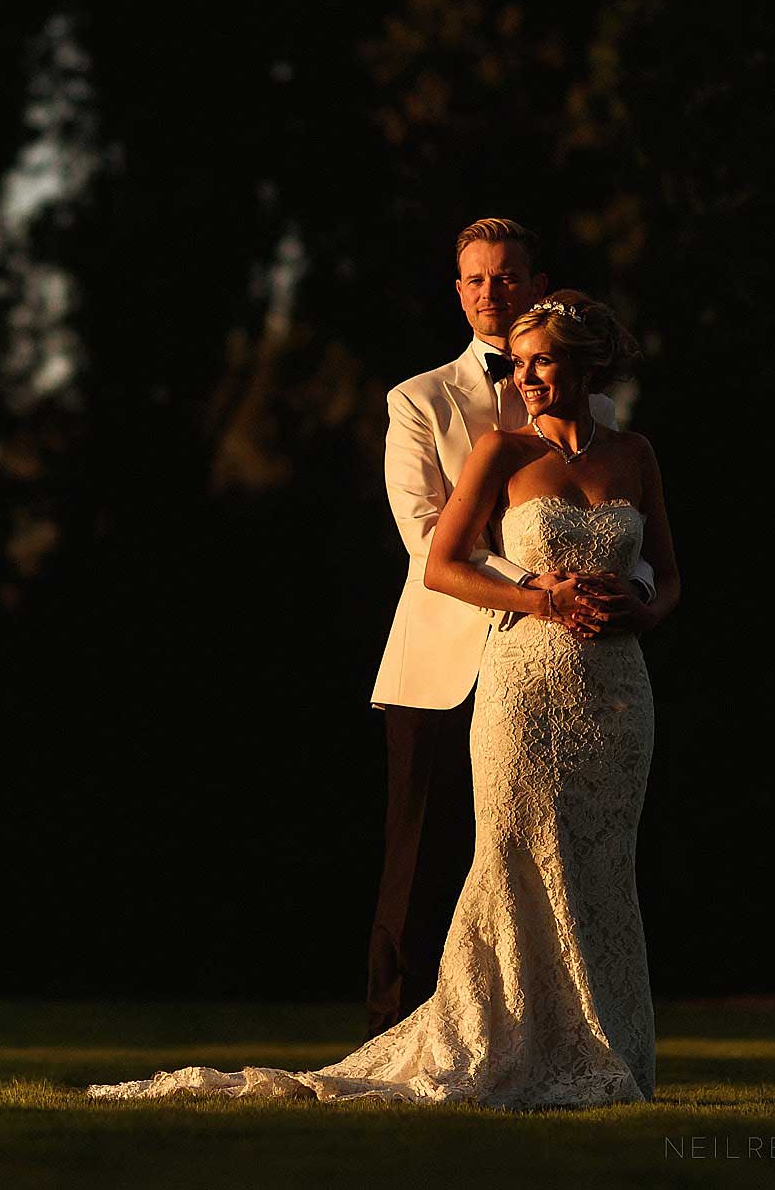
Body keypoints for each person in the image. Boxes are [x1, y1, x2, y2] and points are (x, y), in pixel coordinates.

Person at [85, 292, 679, 1107]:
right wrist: (540, 598)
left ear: (585, 364)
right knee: (513, 854)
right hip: (525, 686)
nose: (528, 377)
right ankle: (502, 1041)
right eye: (519, 362)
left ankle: (601, 1047)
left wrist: (642, 610)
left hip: (617, 694)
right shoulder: (501, 452)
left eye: (543, 360)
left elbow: (668, 574)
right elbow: (442, 564)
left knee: (604, 864)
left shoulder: (635, 453)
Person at [365, 219, 653, 1038]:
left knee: (556, 860)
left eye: (506, 277)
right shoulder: (418, 399)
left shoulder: (602, 414)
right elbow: (426, 535)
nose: (490, 291)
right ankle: (400, 1038)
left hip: (573, 668)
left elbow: (626, 529)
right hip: (446, 663)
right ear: (458, 292)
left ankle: (541, 1036)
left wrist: (625, 589)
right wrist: (535, 586)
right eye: (475, 279)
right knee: (420, 870)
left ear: (537, 286)